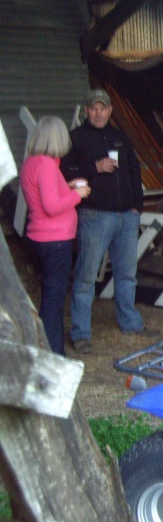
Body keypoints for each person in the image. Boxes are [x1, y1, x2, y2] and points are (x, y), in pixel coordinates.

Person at [60, 89, 159, 353]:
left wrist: (137, 206)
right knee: (86, 276)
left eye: (103, 108)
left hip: (126, 216)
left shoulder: (120, 137)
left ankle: (131, 323)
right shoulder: (76, 139)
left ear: (110, 111)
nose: (99, 112)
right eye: (94, 108)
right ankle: (81, 333)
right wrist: (95, 167)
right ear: (86, 110)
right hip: (95, 216)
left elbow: (134, 169)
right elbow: (65, 172)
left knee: (127, 274)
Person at [19, 116, 91, 355]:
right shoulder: (47, 165)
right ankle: (53, 355)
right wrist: (78, 194)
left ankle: (48, 349)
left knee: (50, 297)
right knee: (53, 302)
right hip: (54, 241)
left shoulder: (32, 162)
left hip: (40, 237)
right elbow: (51, 206)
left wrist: (66, 187)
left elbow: (44, 198)